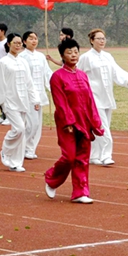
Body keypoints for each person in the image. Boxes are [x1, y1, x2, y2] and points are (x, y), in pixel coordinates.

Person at [44, 38, 104, 204]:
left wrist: (95, 121)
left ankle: (80, 192)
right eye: (69, 52)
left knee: (83, 157)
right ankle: (51, 178)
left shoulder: (83, 75)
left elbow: (90, 99)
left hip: (84, 121)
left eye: (76, 51)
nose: (73, 55)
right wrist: (68, 122)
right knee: (69, 157)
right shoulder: (57, 77)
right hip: (68, 123)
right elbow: (60, 102)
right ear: (62, 55)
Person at [77, 29, 128, 166]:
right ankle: (106, 155)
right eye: (99, 38)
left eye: (103, 38)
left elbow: (116, 71)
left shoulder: (108, 56)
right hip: (93, 98)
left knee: (102, 126)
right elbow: (78, 75)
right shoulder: (86, 58)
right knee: (102, 127)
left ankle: (94, 155)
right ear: (92, 40)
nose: (102, 41)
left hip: (107, 96)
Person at [0, 33, 38, 172]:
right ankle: (6, 150)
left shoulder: (23, 61)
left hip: (22, 100)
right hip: (9, 101)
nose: (18, 45)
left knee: (21, 132)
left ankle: (16, 162)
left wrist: (35, 99)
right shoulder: (4, 62)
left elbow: (29, 83)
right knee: (19, 129)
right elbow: (1, 84)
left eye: (19, 43)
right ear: (8, 44)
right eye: (15, 43)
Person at [19, 31, 52, 160]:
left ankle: (30, 148)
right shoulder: (22, 57)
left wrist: (52, 88)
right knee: (31, 123)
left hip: (40, 94)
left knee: (37, 124)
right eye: (30, 38)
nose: (34, 41)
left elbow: (47, 73)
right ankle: (23, 146)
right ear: (24, 41)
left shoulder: (41, 56)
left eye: (35, 38)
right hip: (28, 95)